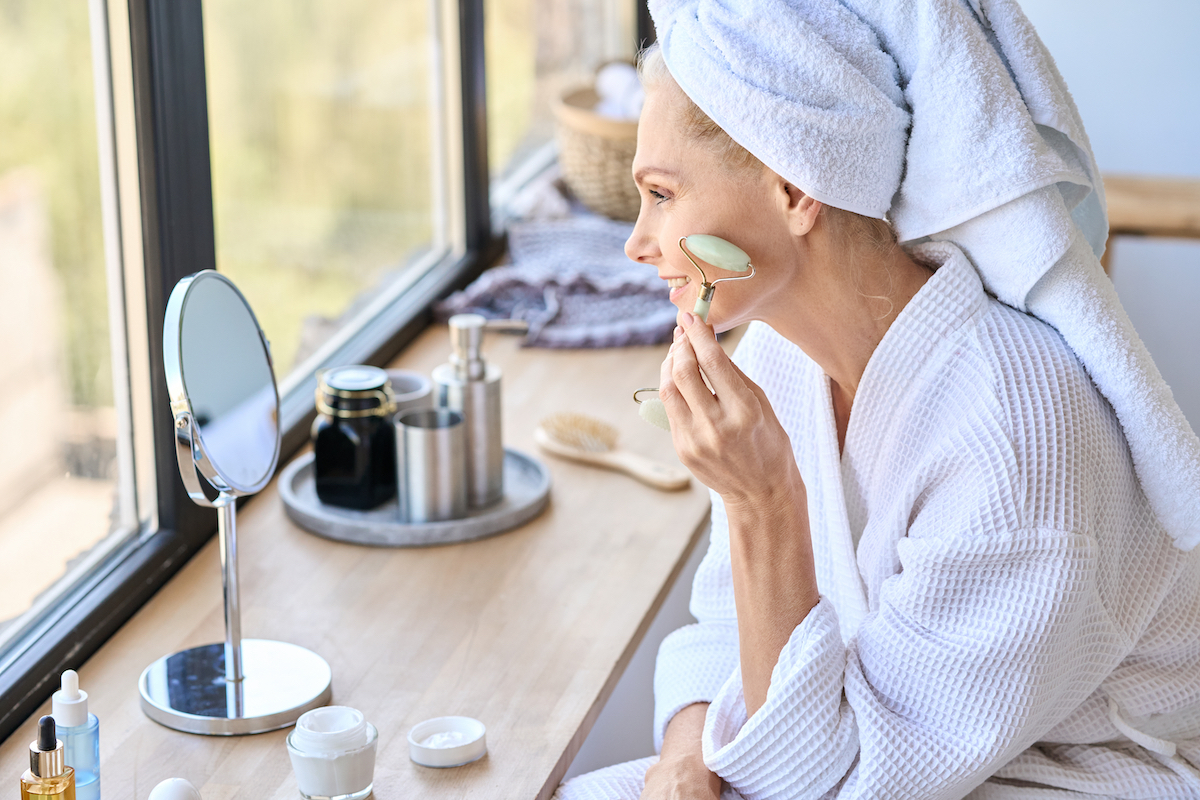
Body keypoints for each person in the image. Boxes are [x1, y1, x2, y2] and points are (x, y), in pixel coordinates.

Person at [555, 1, 1200, 798]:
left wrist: (765, 502)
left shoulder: (1013, 437)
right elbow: (727, 625)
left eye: (661, 194)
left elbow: (836, 788)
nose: (637, 243)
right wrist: (683, 761)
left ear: (793, 189)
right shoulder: (782, 362)